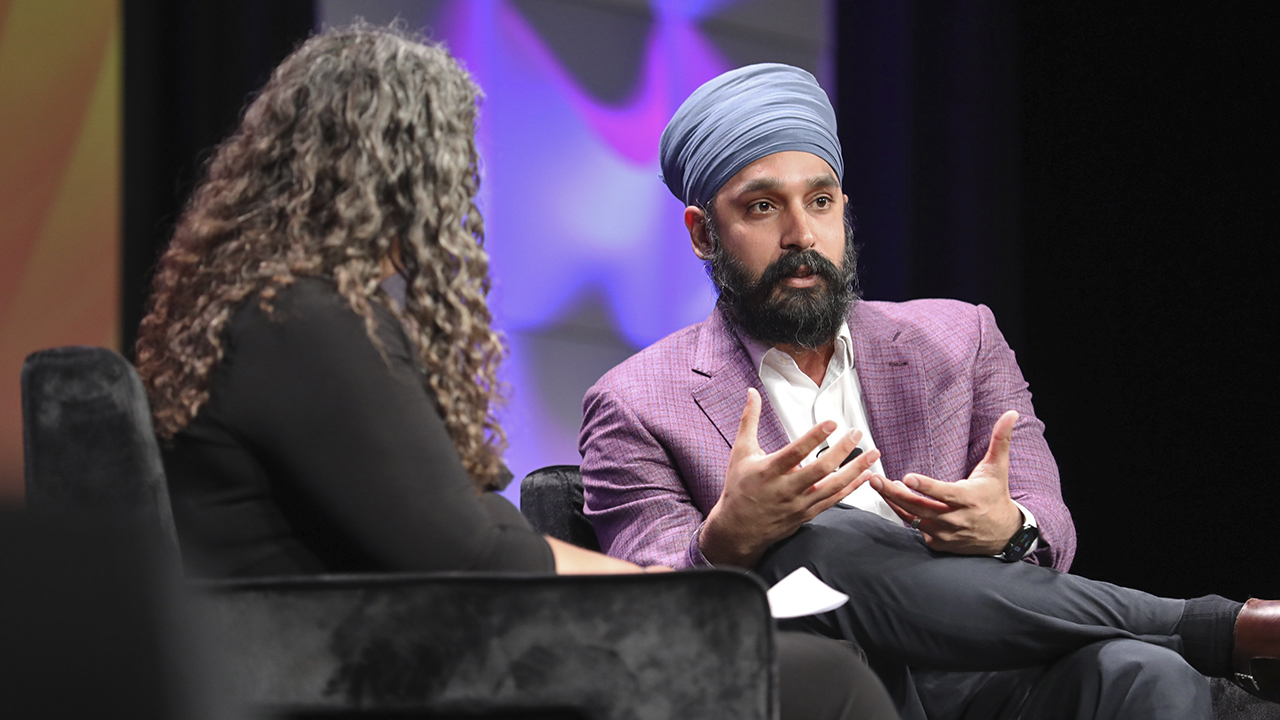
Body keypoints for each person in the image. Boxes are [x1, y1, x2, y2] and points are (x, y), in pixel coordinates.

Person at [134, 27, 900, 720]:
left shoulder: (279, 311)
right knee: (826, 681)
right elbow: (469, 555)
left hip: (353, 644)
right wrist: (677, 596)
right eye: (450, 170)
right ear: (394, 175)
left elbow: (456, 526)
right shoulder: (306, 323)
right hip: (337, 666)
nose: (458, 198)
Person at [578, 63, 1280, 720]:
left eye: (819, 201)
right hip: (818, 681)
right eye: (762, 207)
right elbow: (650, 614)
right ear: (704, 234)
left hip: (992, 667)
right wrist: (729, 539)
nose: (801, 234)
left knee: (1146, 672)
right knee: (818, 543)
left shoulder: (960, 337)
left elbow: (1050, 526)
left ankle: (1189, 639)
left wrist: (1010, 529)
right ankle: (1213, 627)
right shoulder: (636, 402)